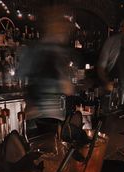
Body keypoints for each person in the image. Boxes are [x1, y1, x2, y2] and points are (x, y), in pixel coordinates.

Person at [18, 5, 74, 139]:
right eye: (59, 23)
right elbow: (22, 78)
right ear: (50, 25)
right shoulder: (36, 50)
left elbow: (67, 88)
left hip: (55, 118)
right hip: (38, 119)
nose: (64, 29)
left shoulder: (60, 52)